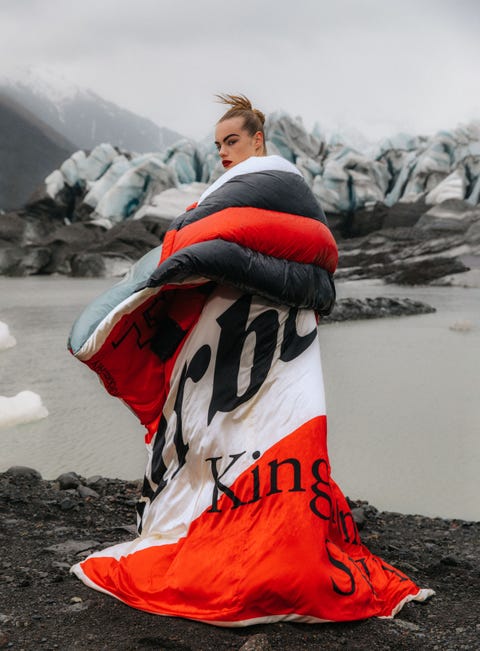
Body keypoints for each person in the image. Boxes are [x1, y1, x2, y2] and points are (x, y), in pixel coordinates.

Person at [69, 94, 433, 626]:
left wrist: (199, 256)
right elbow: (218, 252)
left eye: (232, 141)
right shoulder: (230, 199)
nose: (223, 152)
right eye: (217, 145)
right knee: (223, 436)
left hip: (279, 341)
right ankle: (233, 529)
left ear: (258, 140)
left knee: (274, 431)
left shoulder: (279, 187)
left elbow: (303, 270)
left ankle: (277, 546)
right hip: (234, 336)